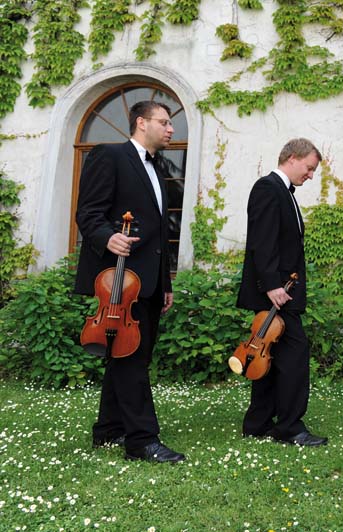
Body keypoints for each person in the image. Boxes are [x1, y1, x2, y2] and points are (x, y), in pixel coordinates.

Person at [75, 101, 184, 463]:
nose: (171, 129)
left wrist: (166, 283)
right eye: (164, 122)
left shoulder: (158, 169)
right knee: (131, 360)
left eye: (170, 124)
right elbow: (87, 212)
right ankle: (141, 440)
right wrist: (107, 236)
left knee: (130, 356)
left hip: (149, 283)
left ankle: (109, 429)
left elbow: (159, 234)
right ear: (141, 123)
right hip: (119, 282)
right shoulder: (110, 156)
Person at [236, 138, 327, 447]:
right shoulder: (267, 188)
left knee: (271, 357)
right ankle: (289, 426)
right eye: (309, 168)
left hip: (281, 290)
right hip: (276, 291)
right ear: (292, 157)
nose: (311, 176)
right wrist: (272, 285)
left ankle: (258, 423)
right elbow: (261, 242)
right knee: (294, 356)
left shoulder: (283, 192)